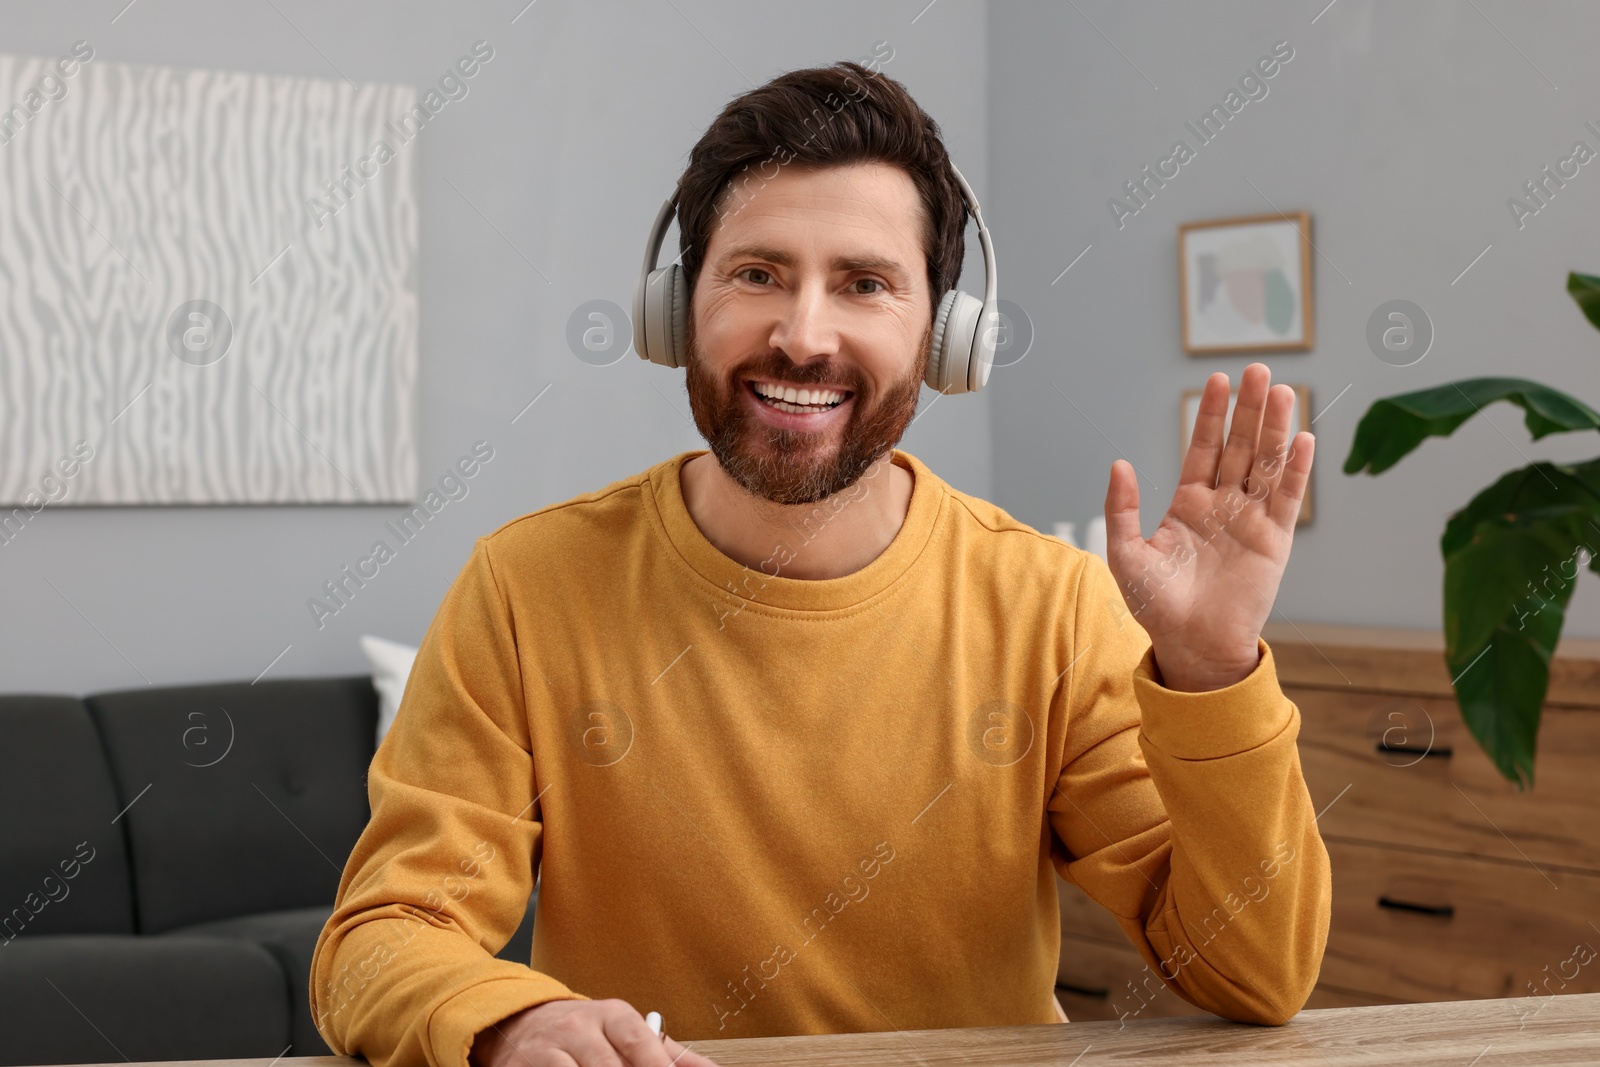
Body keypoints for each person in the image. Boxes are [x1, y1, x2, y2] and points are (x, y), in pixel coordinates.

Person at [310, 59, 1330, 1067]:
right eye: (756, 273)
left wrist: (1211, 670)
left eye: (865, 284)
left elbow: (1253, 973)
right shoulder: (527, 587)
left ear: (943, 335)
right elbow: (381, 936)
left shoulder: (1048, 607)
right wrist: (508, 1021)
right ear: (677, 311)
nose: (803, 336)